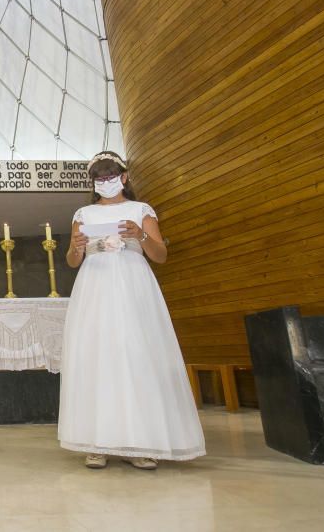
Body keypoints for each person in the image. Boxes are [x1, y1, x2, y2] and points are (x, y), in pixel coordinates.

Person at [58, 151, 205, 470]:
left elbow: (160, 255)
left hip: (132, 283)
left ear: (124, 178)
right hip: (95, 286)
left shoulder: (141, 210)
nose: (106, 182)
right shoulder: (83, 213)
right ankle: (96, 441)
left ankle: (142, 441)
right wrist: (76, 246)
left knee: (137, 354)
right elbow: (72, 261)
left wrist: (139, 235)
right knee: (99, 356)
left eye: (111, 175)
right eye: (99, 177)